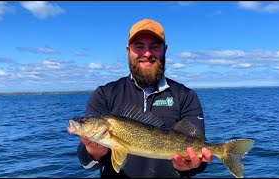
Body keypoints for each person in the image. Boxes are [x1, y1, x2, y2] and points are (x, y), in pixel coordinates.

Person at [76, 18, 213, 178]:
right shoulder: (104, 94)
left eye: (154, 46)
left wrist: (188, 167)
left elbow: (200, 154)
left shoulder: (186, 96)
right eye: (139, 47)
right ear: (128, 50)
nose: (147, 53)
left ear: (165, 50)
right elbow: (88, 165)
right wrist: (94, 152)